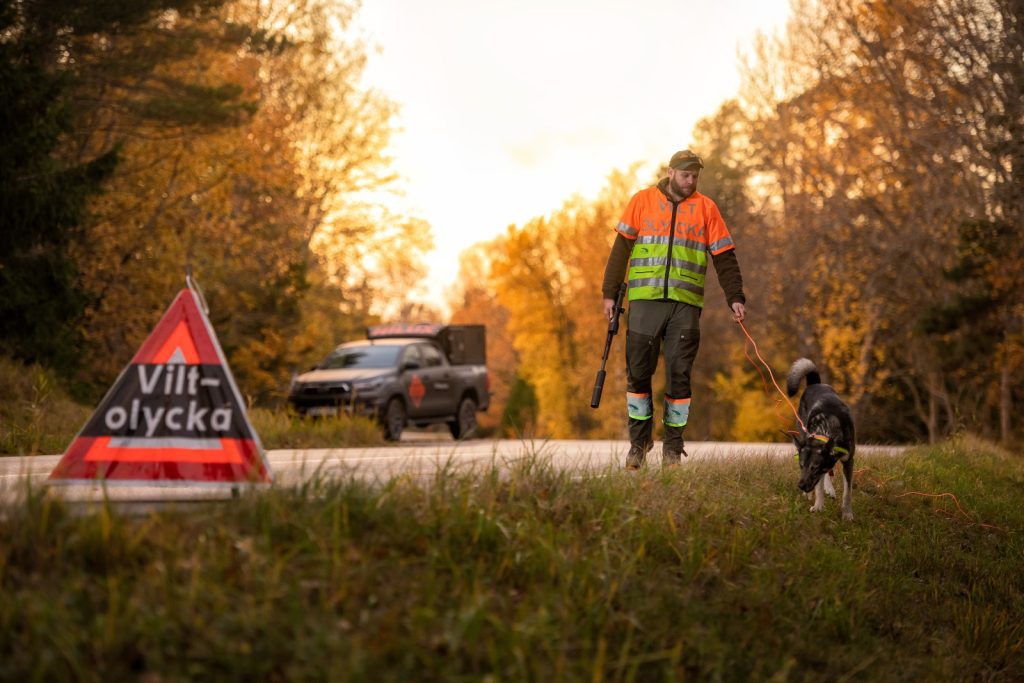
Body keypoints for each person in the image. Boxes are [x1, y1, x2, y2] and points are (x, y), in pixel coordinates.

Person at [601, 149, 746, 468]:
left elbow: (724, 256)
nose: (690, 181)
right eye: (685, 175)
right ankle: (638, 444)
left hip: (685, 307)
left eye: (695, 176)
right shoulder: (641, 201)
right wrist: (609, 294)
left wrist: (735, 297)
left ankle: (672, 447)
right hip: (644, 304)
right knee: (638, 375)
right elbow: (621, 249)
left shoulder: (707, 208)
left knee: (679, 377)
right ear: (670, 173)